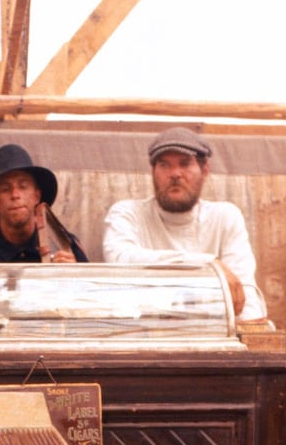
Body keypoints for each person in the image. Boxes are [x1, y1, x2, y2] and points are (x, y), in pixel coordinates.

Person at [102, 127, 267, 320]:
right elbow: (120, 262)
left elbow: (243, 293)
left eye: (185, 164)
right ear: (153, 171)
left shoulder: (225, 217)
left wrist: (251, 334)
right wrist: (209, 264)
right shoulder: (128, 213)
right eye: (164, 165)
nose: (175, 174)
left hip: (213, 341)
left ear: (205, 170)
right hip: (144, 337)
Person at [0, 144, 88, 264]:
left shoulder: (67, 248)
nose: (15, 195)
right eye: (5, 189)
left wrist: (74, 275)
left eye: (23, 186)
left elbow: (92, 287)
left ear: (37, 196)